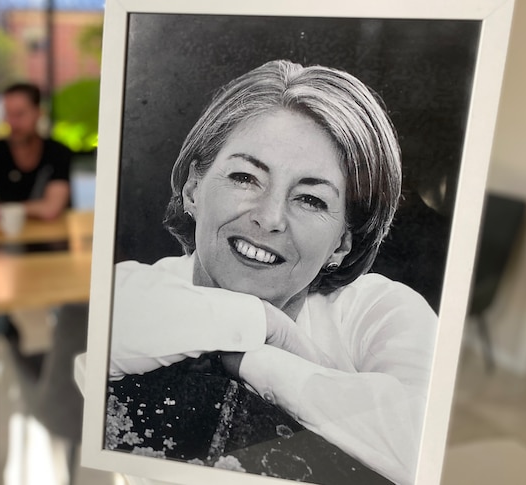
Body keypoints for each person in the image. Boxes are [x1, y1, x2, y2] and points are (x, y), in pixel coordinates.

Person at [108, 60, 437, 485]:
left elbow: (426, 445)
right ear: (193, 189)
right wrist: (259, 322)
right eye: (245, 177)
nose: (269, 218)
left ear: (342, 243)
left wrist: (250, 358)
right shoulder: (131, 292)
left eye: (311, 200)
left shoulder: (382, 312)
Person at [0, 82, 74, 229]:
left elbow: (52, 208)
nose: (12, 123)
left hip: (53, 244)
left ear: (38, 113)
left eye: (20, 114)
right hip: (7, 245)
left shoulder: (57, 152)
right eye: (8, 114)